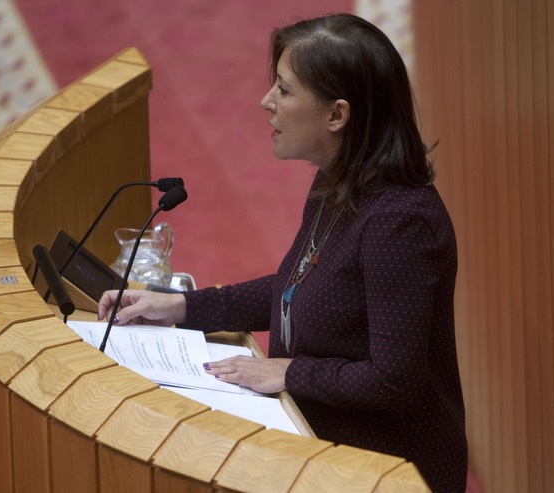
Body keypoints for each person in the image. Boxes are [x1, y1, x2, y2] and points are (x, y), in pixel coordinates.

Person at [98, 13, 467, 492]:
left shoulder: (401, 224)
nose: (266, 102)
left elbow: (393, 382)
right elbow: (303, 285)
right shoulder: (338, 179)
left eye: (286, 91)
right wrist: (183, 306)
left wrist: (289, 371)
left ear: (337, 115)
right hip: (320, 446)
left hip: (385, 473)